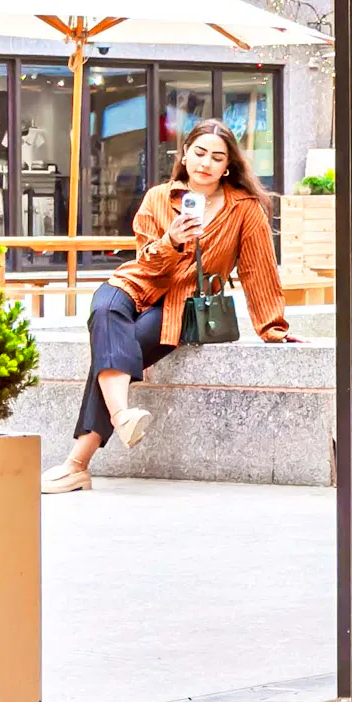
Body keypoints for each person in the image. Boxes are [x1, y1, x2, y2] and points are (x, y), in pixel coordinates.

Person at [55, 119, 294, 493]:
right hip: (135, 284)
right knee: (104, 311)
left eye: (217, 157)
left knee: (116, 348)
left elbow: (258, 269)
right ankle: (122, 415)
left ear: (227, 166)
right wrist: (171, 240)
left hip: (183, 305)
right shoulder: (158, 198)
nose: (206, 163)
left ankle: (77, 464)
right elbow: (146, 264)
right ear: (184, 155)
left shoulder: (244, 209)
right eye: (199, 152)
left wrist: (273, 327)